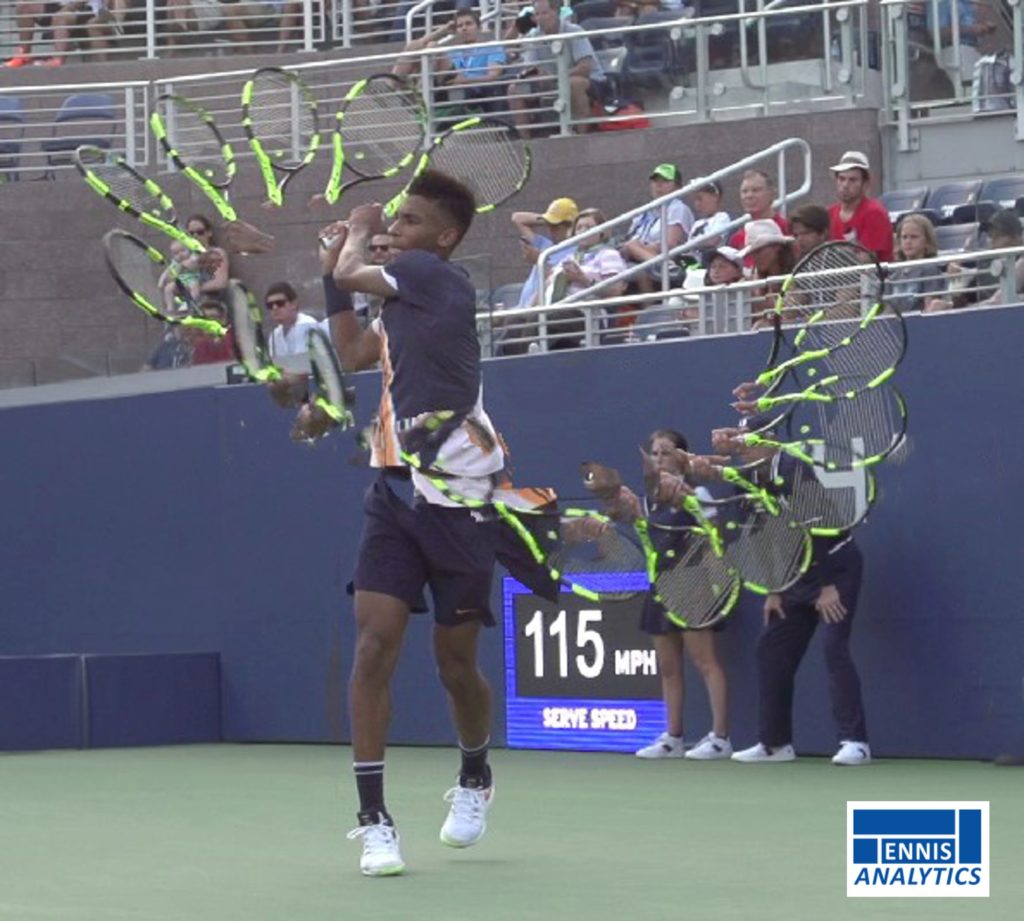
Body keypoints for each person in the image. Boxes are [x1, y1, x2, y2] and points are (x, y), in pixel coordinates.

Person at [303, 171, 516, 877]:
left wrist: (356, 230)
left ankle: (476, 774)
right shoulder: (401, 301)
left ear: (445, 240)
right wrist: (333, 275)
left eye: (411, 220)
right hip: (393, 493)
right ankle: (374, 819)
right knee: (373, 645)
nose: (398, 228)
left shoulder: (438, 280)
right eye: (394, 219)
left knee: (455, 665)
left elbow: (361, 262)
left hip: (458, 501)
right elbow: (353, 351)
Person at [708, 424, 870, 766]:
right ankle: (775, 744)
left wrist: (827, 586)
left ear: (772, 442)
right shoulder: (752, 480)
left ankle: (855, 742)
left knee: (833, 647)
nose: (744, 447)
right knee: (771, 649)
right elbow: (763, 538)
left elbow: (821, 526)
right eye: (740, 442)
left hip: (834, 567)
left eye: (751, 440)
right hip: (796, 576)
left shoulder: (795, 470)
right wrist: (774, 590)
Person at [614, 430, 732, 761]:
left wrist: (690, 497)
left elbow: (718, 538)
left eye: (666, 452)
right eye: (654, 453)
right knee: (668, 667)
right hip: (661, 586)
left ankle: (721, 738)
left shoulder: (701, 493)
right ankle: (673, 738)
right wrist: (633, 514)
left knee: (705, 662)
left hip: (693, 584)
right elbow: (651, 544)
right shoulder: (649, 500)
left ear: (682, 457)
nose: (659, 458)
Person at [507, 0, 608, 138]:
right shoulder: (533, 36)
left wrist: (558, 76)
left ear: (556, 12)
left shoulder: (574, 31)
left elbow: (585, 68)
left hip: (589, 80)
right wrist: (536, 75)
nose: (540, 18)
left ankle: (580, 136)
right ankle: (526, 143)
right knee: (514, 90)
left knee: (572, 83)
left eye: (544, 13)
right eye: (537, 14)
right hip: (551, 81)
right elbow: (532, 67)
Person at [496, 197, 579, 354]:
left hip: (542, 311)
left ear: (569, 226)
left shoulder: (576, 250)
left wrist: (538, 260)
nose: (550, 229)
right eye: (549, 225)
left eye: (555, 226)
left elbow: (557, 279)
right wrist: (548, 218)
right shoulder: (544, 244)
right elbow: (517, 218)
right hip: (523, 309)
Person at [620, 164, 695, 295]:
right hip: (639, 257)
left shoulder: (677, 207)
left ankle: (666, 266)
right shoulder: (644, 211)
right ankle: (649, 309)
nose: (658, 185)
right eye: (655, 181)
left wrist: (643, 248)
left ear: (677, 187)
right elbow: (629, 237)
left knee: (633, 248)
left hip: (670, 256)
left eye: (665, 181)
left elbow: (671, 243)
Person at [435, 8, 508, 112]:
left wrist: (464, 81)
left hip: (479, 91)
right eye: (460, 26)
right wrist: (442, 31)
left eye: (468, 24)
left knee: (436, 49)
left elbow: (493, 76)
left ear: (478, 27)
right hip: (451, 90)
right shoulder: (452, 52)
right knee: (433, 48)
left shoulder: (492, 46)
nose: (464, 28)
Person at [827, 151, 895, 262]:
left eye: (852, 180)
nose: (845, 185)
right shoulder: (829, 213)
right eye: (841, 179)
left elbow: (866, 261)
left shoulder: (875, 213)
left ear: (865, 183)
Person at [887, 213, 950, 313]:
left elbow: (929, 306)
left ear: (927, 241)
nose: (908, 241)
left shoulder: (930, 270)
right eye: (904, 237)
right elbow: (888, 309)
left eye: (914, 237)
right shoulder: (894, 275)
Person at [741, 219, 798, 326]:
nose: (755, 257)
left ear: (777, 247)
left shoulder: (797, 274)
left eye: (759, 251)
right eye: (752, 253)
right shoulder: (752, 279)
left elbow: (790, 313)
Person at [728, 169, 790, 255]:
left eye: (756, 190)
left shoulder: (787, 228)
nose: (749, 196)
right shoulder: (737, 238)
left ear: (771, 194)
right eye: (744, 191)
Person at [266, 282, 319, 359]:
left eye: (280, 303)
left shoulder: (307, 325)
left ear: (293, 304)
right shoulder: (274, 336)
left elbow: (303, 363)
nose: (275, 308)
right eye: (270, 305)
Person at [184, 215, 231, 301]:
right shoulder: (184, 255)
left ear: (209, 233)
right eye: (191, 233)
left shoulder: (217, 253)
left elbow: (221, 282)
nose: (195, 236)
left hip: (211, 300)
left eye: (200, 232)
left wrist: (196, 288)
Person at [688, 179, 733, 259]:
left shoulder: (721, 217)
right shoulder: (696, 224)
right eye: (694, 200)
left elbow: (712, 241)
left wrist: (692, 244)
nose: (696, 204)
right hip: (693, 265)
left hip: (710, 263)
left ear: (715, 197)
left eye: (700, 199)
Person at [159, 240, 202, 313]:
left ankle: (191, 303)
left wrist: (181, 266)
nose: (180, 254)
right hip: (179, 282)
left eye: (182, 250)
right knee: (168, 288)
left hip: (192, 279)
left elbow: (192, 265)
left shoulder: (192, 257)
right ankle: (170, 307)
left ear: (189, 250)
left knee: (194, 286)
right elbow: (168, 270)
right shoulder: (175, 262)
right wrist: (161, 280)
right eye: (176, 253)